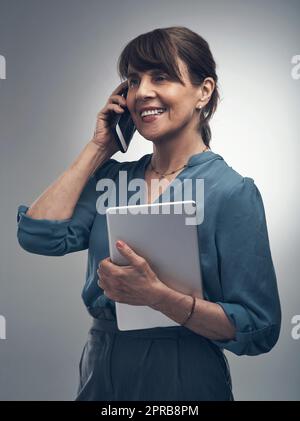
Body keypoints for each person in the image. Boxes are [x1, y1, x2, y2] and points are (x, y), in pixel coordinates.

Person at [16, 26, 281, 401]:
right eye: (133, 80)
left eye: (161, 77)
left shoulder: (232, 192)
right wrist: (98, 148)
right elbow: (37, 235)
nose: (141, 93)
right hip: (102, 369)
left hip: (182, 373)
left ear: (203, 91)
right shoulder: (111, 178)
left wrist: (158, 297)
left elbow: (259, 327)